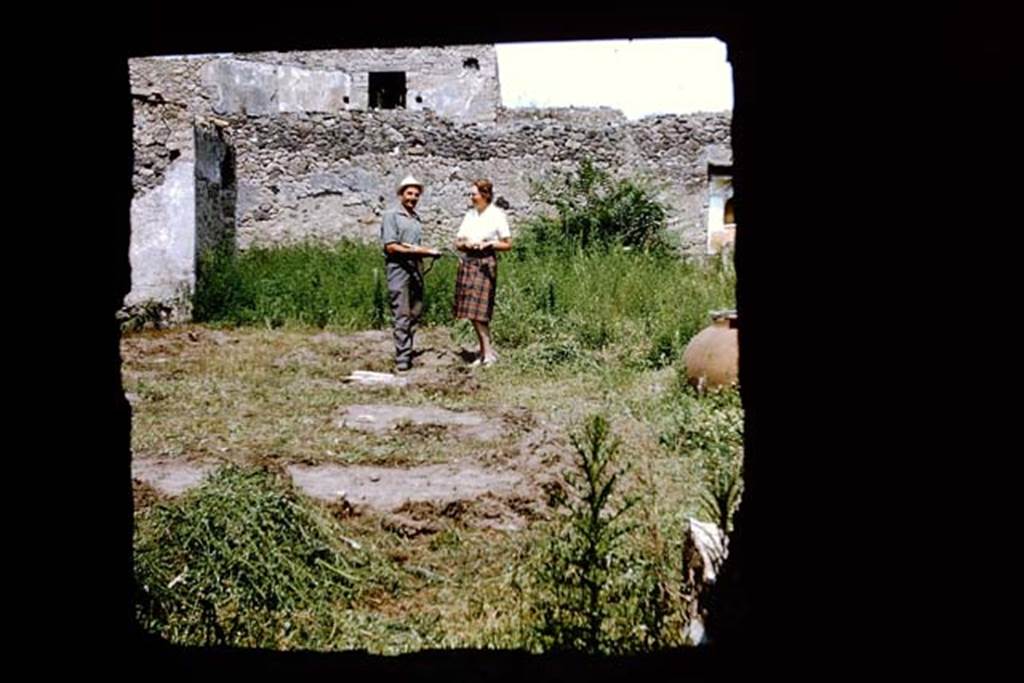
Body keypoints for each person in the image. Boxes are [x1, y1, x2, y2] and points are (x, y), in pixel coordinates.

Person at [379, 175, 441, 371]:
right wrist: (424, 251)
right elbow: (391, 247)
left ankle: (408, 348)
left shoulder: (415, 218)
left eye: (416, 194)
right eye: (409, 193)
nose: (413, 197)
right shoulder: (391, 215)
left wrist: (422, 253)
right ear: (401, 194)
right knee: (402, 312)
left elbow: (411, 245)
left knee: (416, 310)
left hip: (416, 267)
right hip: (398, 268)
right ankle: (402, 357)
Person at [452, 179, 513, 366]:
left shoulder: (496, 215)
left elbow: (507, 243)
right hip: (469, 260)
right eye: (471, 194)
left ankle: (488, 353)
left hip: (485, 262)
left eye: (474, 194)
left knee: (481, 311)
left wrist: (489, 243)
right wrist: (466, 244)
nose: (471, 197)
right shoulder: (470, 215)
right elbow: (458, 241)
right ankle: (485, 352)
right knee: (471, 311)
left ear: (485, 195)